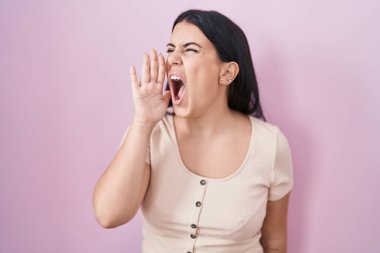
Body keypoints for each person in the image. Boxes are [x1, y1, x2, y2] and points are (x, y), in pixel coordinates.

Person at [92, 9, 293, 253]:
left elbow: (275, 242)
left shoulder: (270, 145)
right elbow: (108, 215)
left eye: (190, 49)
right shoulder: (151, 132)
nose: (173, 59)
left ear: (227, 73)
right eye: (171, 49)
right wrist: (143, 122)